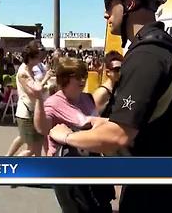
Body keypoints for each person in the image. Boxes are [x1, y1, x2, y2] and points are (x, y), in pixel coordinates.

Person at [48, 0, 172, 213]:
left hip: (156, 197)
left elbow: (118, 137)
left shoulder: (147, 56)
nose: (105, 14)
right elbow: (153, 120)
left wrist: (65, 136)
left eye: (109, 4)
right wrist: (104, 122)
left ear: (129, 2)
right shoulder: (167, 49)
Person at [33, 57, 115, 212]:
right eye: (77, 76)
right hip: (68, 171)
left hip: (93, 165)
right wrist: (38, 99)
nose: (83, 79)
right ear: (64, 79)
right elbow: (42, 129)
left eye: (83, 75)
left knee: (103, 207)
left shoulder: (87, 98)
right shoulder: (54, 103)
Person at [11, 40, 52, 157]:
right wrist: (46, 79)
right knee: (31, 150)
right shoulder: (23, 72)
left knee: (38, 148)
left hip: (36, 111)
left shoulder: (30, 69)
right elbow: (34, 92)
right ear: (32, 56)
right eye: (39, 56)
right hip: (26, 114)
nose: (41, 59)